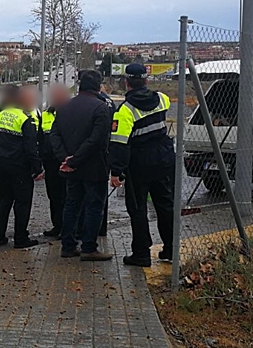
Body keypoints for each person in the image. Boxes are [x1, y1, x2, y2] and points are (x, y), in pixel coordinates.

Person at [110, 63, 176, 267]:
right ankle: (170, 249)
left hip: (139, 164)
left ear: (126, 82)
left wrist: (116, 172)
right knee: (165, 205)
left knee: (138, 209)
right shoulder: (161, 99)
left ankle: (141, 253)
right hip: (164, 159)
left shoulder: (125, 111)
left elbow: (119, 144)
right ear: (146, 80)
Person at [50, 70, 113, 261]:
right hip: (94, 167)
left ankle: (68, 245)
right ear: (98, 86)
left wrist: (66, 159)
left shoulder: (64, 107)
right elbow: (97, 140)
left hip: (71, 168)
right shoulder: (101, 108)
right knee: (94, 206)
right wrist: (75, 159)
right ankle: (89, 247)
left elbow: (54, 135)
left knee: (71, 204)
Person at [0, 85, 43, 248]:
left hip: (1, 166)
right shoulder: (25, 120)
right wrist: (37, 168)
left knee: (4, 200)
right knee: (22, 203)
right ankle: (21, 238)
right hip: (19, 168)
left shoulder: (3, 115)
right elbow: (30, 148)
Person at [38, 85, 70, 238]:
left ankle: (67, 227)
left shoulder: (70, 113)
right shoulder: (45, 114)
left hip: (64, 162)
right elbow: (40, 137)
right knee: (54, 196)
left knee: (66, 196)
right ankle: (57, 225)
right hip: (49, 162)